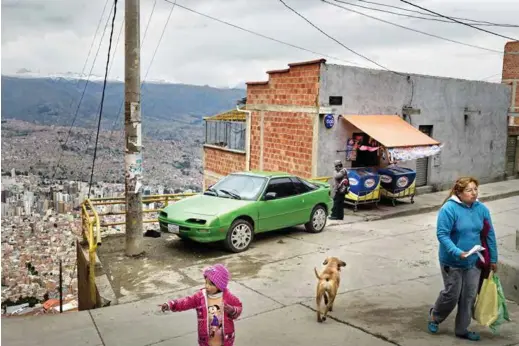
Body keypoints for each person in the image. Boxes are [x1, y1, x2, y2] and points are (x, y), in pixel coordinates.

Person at [427, 177, 498, 341]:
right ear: (459, 193)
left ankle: (462, 329)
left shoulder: (481, 209)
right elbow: (442, 235)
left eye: (475, 189)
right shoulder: (449, 209)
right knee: (452, 294)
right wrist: (457, 252)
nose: (473, 193)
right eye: (469, 190)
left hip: (474, 260)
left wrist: (493, 258)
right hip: (452, 262)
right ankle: (435, 316)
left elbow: (490, 234)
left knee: (469, 296)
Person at [160, 264, 243, 346]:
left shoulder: (228, 297)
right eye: (206, 282)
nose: (207, 286)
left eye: (211, 284)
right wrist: (171, 304)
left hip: (225, 340)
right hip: (206, 340)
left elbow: (238, 307)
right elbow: (186, 302)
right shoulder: (200, 297)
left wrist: (232, 310)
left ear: (220, 285)